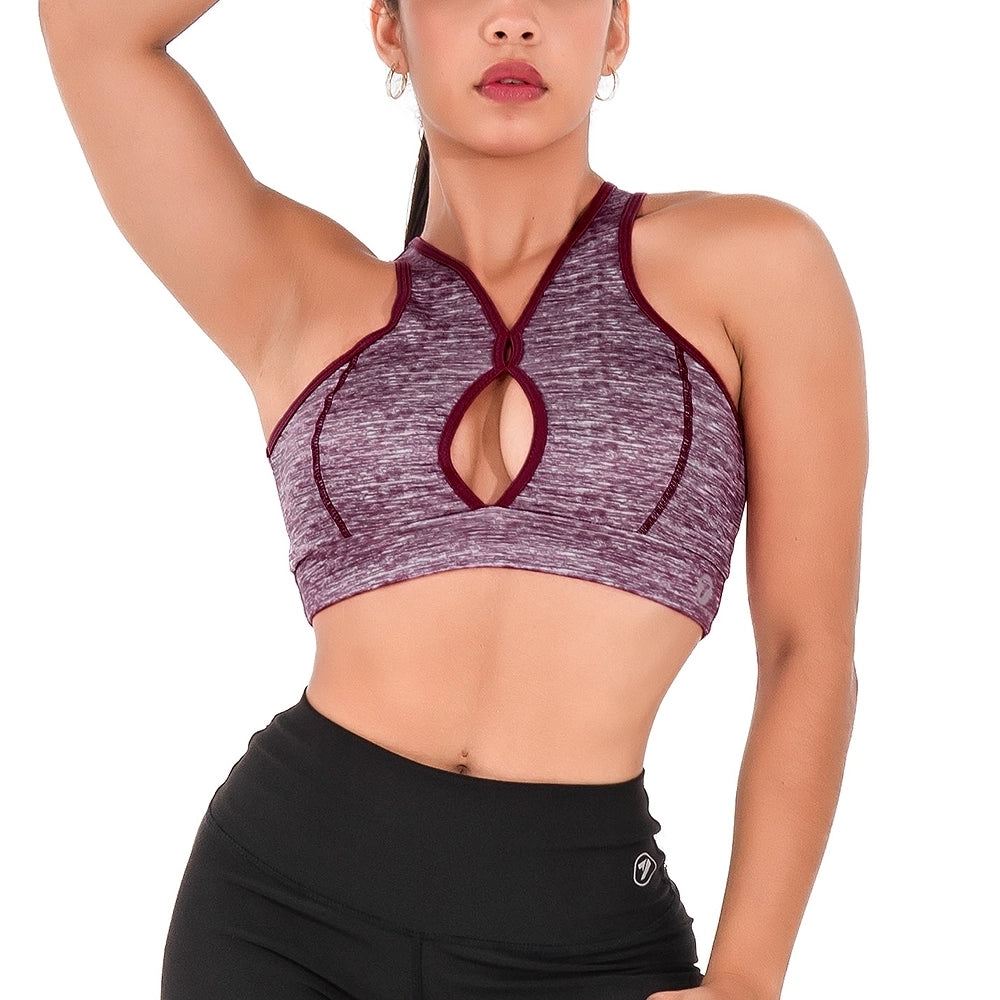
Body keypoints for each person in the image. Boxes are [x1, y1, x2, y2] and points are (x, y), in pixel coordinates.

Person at [39, 1, 867, 998]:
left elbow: (808, 646)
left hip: (583, 938)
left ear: (615, 32)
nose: (513, 21)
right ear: (390, 29)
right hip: (278, 915)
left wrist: (747, 977)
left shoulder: (757, 263)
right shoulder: (301, 293)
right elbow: (89, 29)